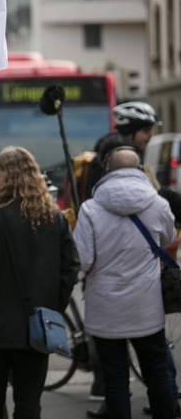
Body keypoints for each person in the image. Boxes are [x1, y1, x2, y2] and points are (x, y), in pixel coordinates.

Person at [0, 146, 79, 418]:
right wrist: (53, 305)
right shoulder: (54, 218)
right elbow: (71, 265)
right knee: (29, 402)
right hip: (36, 327)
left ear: (6, 176)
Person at [73, 147, 177, 418]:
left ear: (107, 167)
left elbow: (82, 260)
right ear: (140, 168)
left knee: (116, 379)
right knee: (157, 373)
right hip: (146, 305)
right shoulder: (158, 204)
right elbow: (166, 241)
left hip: (105, 309)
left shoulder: (90, 208)